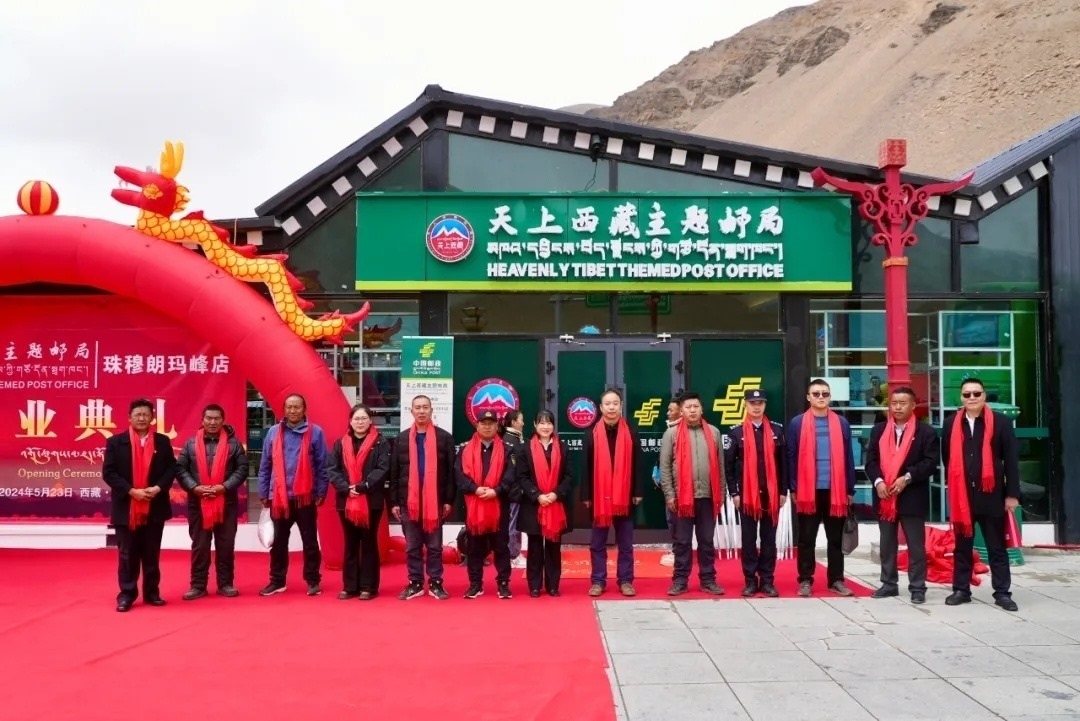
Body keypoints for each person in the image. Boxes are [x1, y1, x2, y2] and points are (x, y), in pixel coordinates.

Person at [943, 378, 1021, 612]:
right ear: (961, 397)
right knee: (962, 547)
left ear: (984, 396)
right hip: (962, 497)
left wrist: (1012, 494)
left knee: (996, 547)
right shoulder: (951, 423)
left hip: (992, 495)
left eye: (976, 393)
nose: (972, 398)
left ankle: (1002, 593)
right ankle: (961, 590)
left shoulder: (1001, 422)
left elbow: (1011, 461)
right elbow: (947, 458)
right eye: (967, 394)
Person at [864, 387, 940, 605]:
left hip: (912, 496)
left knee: (916, 546)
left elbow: (930, 463)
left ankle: (917, 587)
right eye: (894, 403)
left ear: (913, 406)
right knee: (887, 544)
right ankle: (889, 583)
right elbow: (871, 460)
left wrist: (907, 478)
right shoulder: (879, 430)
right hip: (885, 495)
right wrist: (878, 481)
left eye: (902, 403)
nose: (897, 407)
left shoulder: (926, 432)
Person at [101, 398, 177, 612]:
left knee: (151, 554)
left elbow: (171, 469)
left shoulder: (162, 441)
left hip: (154, 506)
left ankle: (152, 593)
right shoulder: (116, 442)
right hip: (126, 507)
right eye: (138, 415)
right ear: (129, 418)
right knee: (127, 554)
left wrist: (158, 488)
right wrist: (131, 491)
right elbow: (109, 473)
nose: (142, 418)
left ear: (152, 418)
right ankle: (127, 594)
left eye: (146, 414)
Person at [787, 378, 856, 597]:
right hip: (808, 491)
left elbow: (849, 458)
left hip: (835, 490)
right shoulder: (797, 423)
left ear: (830, 397)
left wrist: (850, 489)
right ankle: (805, 580)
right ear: (808, 397)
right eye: (816, 393)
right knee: (806, 539)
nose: (820, 397)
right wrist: (793, 487)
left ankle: (836, 580)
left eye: (825, 394)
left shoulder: (841, 423)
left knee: (835, 539)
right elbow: (791, 457)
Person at [258, 393, 329, 597]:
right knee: (279, 542)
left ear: (304, 409)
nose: (292, 411)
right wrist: (263, 491)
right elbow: (265, 465)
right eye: (289, 407)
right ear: (284, 410)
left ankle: (313, 580)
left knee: (310, 542)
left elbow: (322, 465)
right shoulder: (273, 432)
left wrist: (321, 491)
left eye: (297, 407)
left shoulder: (315, 432)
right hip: (279, 499)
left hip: (305, 498)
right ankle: (277, 581)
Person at [176, 403, 249, 600]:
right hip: (198, 502)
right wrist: (194, 488)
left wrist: (224, 487)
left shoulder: (234, 444)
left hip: (226, 502)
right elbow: (180, 469)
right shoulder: (190, 444)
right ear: (202, 420)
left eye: (217, 418)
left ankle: (225, 584)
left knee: (226, 545)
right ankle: (198, 585)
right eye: (209, 418)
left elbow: (242, 470)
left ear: (223, 421)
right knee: (200, 545)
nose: (213, 422)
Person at [390, 394, 456, 600]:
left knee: (434, 547)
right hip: (408, 502)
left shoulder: (444, 438)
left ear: (431, 410)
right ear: (411, 411)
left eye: (425, 407)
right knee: (412, 546)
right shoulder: (401, 439)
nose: (421, 411)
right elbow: (394, 473)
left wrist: (448, 500)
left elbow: (451, 474)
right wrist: (394, 502)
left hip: (435, 502)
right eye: (417, 407)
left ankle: (436, 583)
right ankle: (415, 583)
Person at [659, 392, 725, 596]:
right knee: (682, 542)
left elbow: (720, 466)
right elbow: (665, 467)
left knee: (706, 541)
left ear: (701, 409)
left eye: (696, 406)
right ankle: (680, 581)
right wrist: (670, 494)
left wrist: (721, 493)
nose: (693, 410)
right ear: (682, 411)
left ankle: (708, 579)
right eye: (688, 407)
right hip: (681, 498)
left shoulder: (713, 432)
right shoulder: (671, 434)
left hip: (707, 496)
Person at [725, 388, 788, 597]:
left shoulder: (777, 430)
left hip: (771, 494)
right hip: (746, 495)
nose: (756, 406)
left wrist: (783, 491)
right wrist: (734, 493)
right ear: (745, 405)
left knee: (769, 540)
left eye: (760, 403)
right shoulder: (736, 432)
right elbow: (729, 467)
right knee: (749, 540)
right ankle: (750, 581)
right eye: (752, 403)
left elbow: (784, 464)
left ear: (765, 405)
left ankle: (767, 580)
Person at [581, 388, 644, 597]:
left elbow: (638, 463)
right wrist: (586, 495)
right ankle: (598, 581)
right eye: (607, 404)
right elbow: (585, 467)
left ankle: (625, 580)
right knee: (597, 543)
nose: (611, 407)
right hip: (599, 497)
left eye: (615, 403)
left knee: (625, 543)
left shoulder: (631, 432)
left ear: (621, 406)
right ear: (601, 407)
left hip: (624, 497)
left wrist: (637, 491)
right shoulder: (591, 433)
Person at [329, 403, 391, 600]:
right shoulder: (340, 444)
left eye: (364, 418)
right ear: (350, 421)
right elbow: (332, 469)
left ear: (370, 420)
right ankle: (350, 586)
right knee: (350, 543)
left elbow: (382, 469)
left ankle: (368, 587)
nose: (360, 422)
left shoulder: (381, 443)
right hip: (346, 501)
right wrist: (346, 488)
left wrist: (363, 486)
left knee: (369, 542)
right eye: (356, 418)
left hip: (371, 501)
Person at [456, 409, 518, 599]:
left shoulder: (507, 449)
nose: (487, 427)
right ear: (477, 425)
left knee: (501, 547)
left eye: (491, 423)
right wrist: (474, 489)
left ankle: (503, 583)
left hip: (499, 504)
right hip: (474, 505)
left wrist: (496, 490)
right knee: (474, 548)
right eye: (483, 423)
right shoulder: (465, 449)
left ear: (497, 426)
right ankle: (475, 584)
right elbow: (459, 475)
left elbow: (511, 475)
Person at [516, 410, 573, 597]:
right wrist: (538, 495)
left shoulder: (563, 448)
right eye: (541, 423)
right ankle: (534, 585)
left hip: (556, 504)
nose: (545, 427)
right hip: (534, 504)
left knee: (553, 547)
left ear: (553, 425)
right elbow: (522, 477)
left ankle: (553, 585)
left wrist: (556, 494)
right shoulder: (525, 448)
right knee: (534, 547)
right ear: (535, 425)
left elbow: (569, 477)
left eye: (549, 423)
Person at [500, 409, 526, 567]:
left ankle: (513, 553)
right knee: (513, 524)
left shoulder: (515, 439)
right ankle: (513, 555)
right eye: (521, 420)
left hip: (515, 490)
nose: (523, 423)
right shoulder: (509, 441)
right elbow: (513, 470)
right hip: (513, 490)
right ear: (514, 422)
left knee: (514, 522)